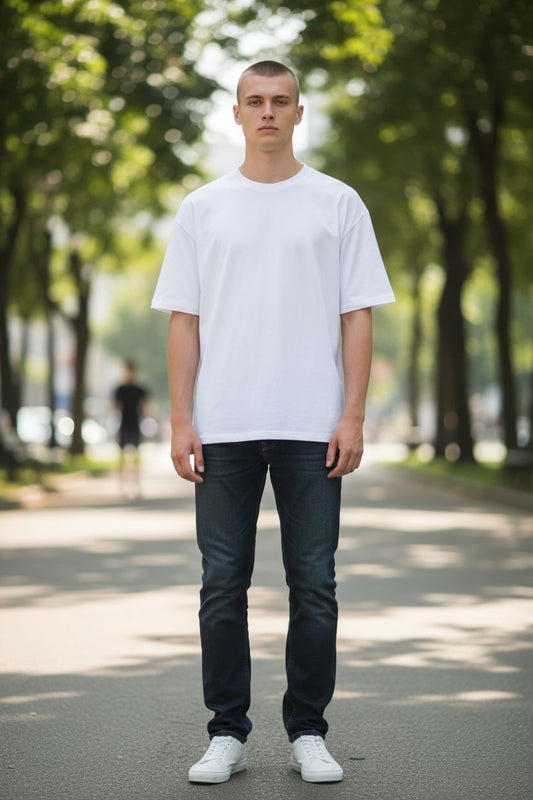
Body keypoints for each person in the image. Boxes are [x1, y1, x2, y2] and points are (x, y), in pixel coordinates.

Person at [151, 60, 395, 784]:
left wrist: (351, 414)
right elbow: (184, 321)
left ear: (298, 112)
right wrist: (178, 420)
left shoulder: (337, 202)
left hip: (311, 424)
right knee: (222, 583)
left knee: (313, 583)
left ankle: (307, 731)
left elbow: (357, 315)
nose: (266, 113)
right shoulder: (203, 207)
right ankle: (226, 731)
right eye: (254, 102)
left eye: (279, 101)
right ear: (235, 114)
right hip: (222, 426)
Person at [113, 359, 149, 498]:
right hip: (123, 425)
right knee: (121, 458)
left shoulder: (139, 389)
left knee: (136, 458)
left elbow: (146, 405)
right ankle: (121, 487)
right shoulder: (120, 389)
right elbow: (115, 406)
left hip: (135, 425)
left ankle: (137, 486)